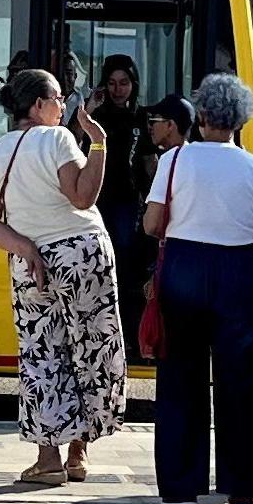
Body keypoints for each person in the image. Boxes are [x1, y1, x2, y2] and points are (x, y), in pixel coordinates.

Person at [142, 74, 253, 504]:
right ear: (241, 120)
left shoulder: (174, 161)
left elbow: (152, 224)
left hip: (184, 268)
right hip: (238, 271)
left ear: (201, 115)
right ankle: (241, 488)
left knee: (180, 379)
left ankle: (180, 488)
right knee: (241, 380)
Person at [0, 68, 122, 487]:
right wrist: (98, 142)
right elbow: (82, 196)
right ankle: (79, 454)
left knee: (42, 356)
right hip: (83, 253)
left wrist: (26, 248)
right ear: (37, 105)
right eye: (58, 99)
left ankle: (48, 459)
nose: (63, 106)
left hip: (31, 263)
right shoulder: (58, 139)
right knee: (90, 351)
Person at [89, 55, 157, 351]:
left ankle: (127, 333)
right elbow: (72, 139)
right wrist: (89, 109)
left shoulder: (142, 117)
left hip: (129, 202)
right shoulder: (96, 116)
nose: (118, 90)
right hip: (96, 200)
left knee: (127, 264)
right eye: (113, 84)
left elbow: (149, 161)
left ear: (134, 84)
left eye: (124, 83)